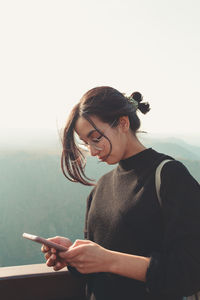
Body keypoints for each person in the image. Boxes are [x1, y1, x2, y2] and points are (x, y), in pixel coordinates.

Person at [41, 86, 200, 300]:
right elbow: (100, 270)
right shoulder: (101, 187)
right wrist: (73, 255)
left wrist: (108, 260)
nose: (93, 150)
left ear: (123, 123)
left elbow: (189, 272)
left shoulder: (169, 176)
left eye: (95, 137)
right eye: (86, 143)